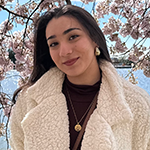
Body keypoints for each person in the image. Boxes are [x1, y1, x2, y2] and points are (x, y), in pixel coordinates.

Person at [10, 5, 150, 150]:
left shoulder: (136, 104)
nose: (64, 52)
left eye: (73, 37)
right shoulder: (29, 101)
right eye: (54, 44)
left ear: (94, 38)